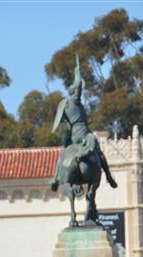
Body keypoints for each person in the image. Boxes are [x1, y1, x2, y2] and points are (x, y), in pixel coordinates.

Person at [50, 56, 117, 191]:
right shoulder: (74, 102)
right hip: (83, 135)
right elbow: (79, 84)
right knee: (99, 153)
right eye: (77, 92)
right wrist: (78, 73)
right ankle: (109, 176)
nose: (79, 95)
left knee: (63, 154)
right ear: (74, 93)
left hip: (72, 137)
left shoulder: (64, 105)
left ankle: (56, 178)